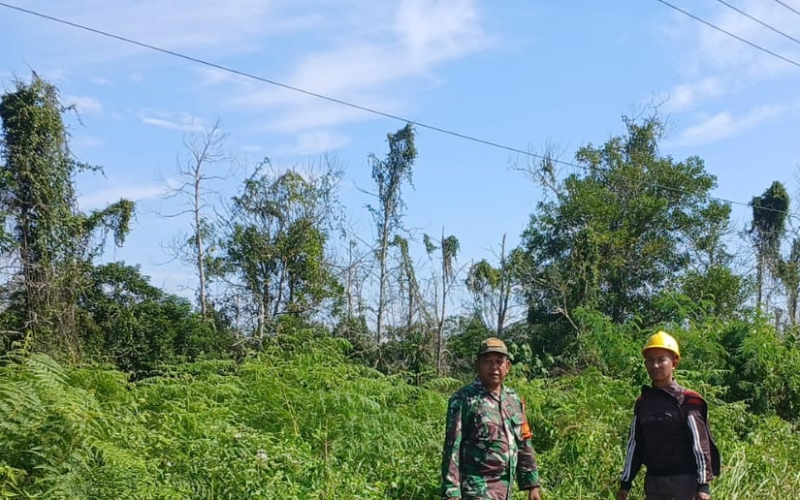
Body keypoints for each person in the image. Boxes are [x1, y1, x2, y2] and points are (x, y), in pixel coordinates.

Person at [617, 331, 720, 500]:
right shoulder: (643, 402)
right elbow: (634, 445)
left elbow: (700, 445)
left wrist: (703, 486)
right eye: (650, 360)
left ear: (674, 363)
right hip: (653, 485)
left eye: (661, 359)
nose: (655, 365)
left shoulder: (688, 400)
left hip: (684, 486)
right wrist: (625, 484)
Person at [441, 337, 542, 500]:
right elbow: (452, 448)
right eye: (487, 361)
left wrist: (533, 485)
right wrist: (451, 493)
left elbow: (524, 443)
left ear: (507, 366)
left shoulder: (514, 400)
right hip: (475, 490)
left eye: (498, 361)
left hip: (505, 490)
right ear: (477, 365)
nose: (493, 367)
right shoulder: (464, 399)